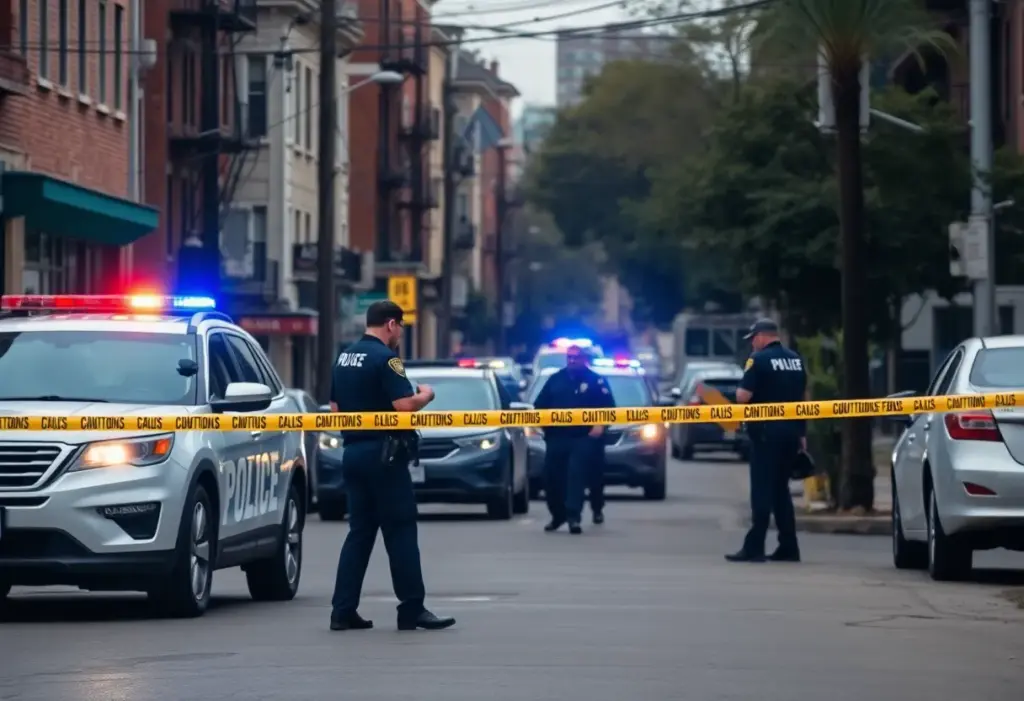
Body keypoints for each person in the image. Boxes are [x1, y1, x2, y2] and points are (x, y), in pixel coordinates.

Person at [328, 300, 456, 631]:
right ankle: (412, 607)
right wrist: (426, 395)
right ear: (390, 324)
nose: (400, 333)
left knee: (359, 532)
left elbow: (335, 407)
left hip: (353, 452)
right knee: (400, 530)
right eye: (400, 326)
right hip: (384, 455)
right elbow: (403, 406)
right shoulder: (388, 359)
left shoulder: (344, 357)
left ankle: (342, 610)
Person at [726, 318, 807, 564]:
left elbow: (742, 396)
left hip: (765, 435)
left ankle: (754, 547)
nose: (752, 344)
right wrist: (802, 435)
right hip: (791, 434)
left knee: (762, 490)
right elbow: (803, 400)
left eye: (753, 339)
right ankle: (789, 546)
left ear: (762, 336)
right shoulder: (795, 359)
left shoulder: (758, 360)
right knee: (781, 491)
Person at [533, 345, 616, 534]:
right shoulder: (556, 380)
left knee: (575, 475)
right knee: (551, 478)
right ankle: (557, 515)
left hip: (583, 437)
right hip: (557, 437)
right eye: (569, 357)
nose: (571, 361)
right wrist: (543, 426)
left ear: (584, 359)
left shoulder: (596, 381)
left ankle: (573, 517)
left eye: (576, 357)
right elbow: (539, 406)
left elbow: (609, 408)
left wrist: (600, 425)